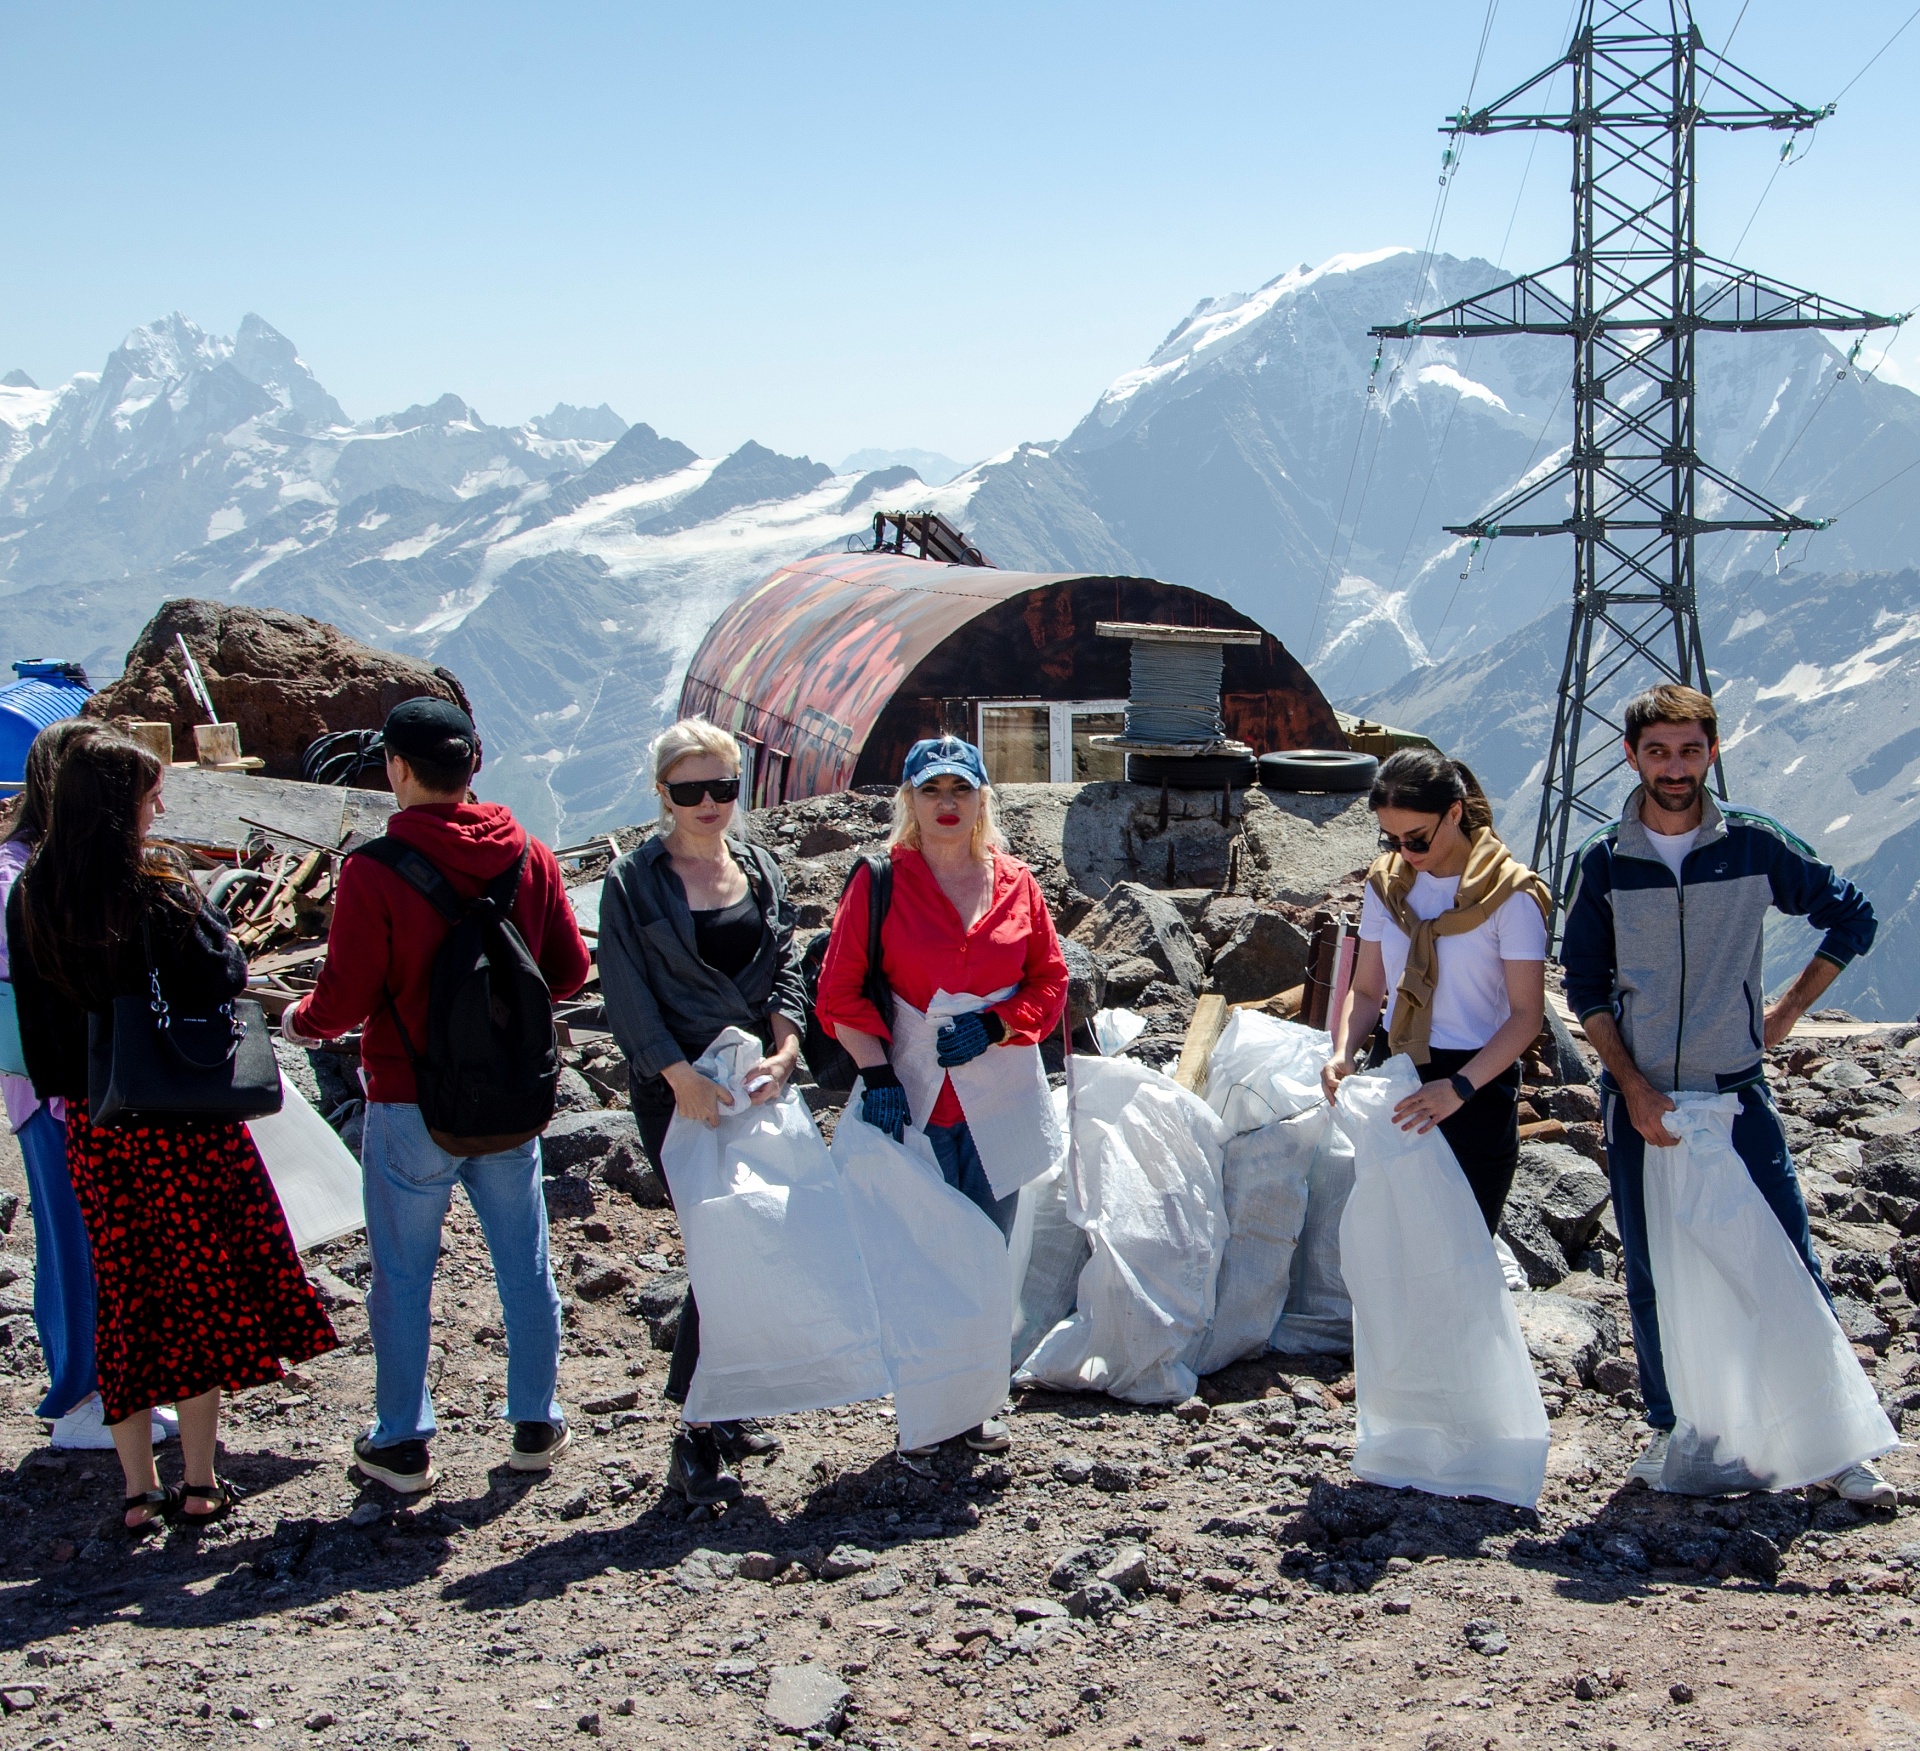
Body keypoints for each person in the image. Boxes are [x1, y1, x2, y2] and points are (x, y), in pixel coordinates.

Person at [1560, 683, 1891, 1504]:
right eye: (1659, 750)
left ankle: (1834, 1442)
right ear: (1633, 755)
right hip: (1640, 1099)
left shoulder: (1752, 844)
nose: (1676, 767)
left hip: (1735, 1094)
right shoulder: (1604, 859)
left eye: (1691, 749)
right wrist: (1632, 1088)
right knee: (1649, 1268)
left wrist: (1782, 1013)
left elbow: (1852, 917)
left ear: (1713, 751)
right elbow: (1586, 986)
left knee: (1784, 1256)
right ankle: (1677, 1431)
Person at [7, 731, 337, 1531]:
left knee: (126, 1297)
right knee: (198, 1296)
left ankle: (133, 1490)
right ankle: (197, 1481)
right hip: (183, 1127)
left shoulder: (33, 892)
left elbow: (38, 1018)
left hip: (94, 1123)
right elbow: (223, 973)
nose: (161, 805)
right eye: (152, 794)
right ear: (123, 803)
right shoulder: (157, 885)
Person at [282, 698, 590, 1494]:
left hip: (408, 1098)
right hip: (510, 1101)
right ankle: (533, 1419)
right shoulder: (528, 853)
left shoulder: (375, 867)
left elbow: (344, 999)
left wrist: (301, 1020)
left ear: (397, 767)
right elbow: (568, 972)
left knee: (403, 1275)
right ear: (474, 764)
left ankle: (403, 1440)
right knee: (523, 1262)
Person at [816, 734, 1069, 1468]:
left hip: (1000, 1108)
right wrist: (879, 1074)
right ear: (910, 802)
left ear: (984, 798)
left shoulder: (1019, 883)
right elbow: (839, 993)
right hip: (917, 1109)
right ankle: (926, 1417)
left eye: (961, 789)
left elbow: (1048, 983)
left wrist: (996, 1023)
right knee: (926, 1266)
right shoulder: (880, 882)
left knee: (988, 1264)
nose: (947, 804)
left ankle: (978, 1405)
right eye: (932, 791)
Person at [597, 717, 809, 1505]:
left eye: (723, 786)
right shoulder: (632, 880)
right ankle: (696, 1421)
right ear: (663, 796)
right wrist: (675, 1073)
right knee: (718, 1244)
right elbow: (623, 988)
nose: (710, 803)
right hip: (678, 1094)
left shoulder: (759, 868)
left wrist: (788, 1049)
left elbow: (787, 962)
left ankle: (728, 1405)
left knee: (754, 1236)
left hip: (752, 1082)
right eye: (691, 790)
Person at [1, 720, 178, 1452]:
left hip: (81, 1084)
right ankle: (78, 1393)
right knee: (72, 1240)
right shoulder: (18, 876)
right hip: (51, 1090)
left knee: (103, 1239)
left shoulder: (47, 866)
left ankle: (118, 1382)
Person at [1323, 750, 1550, 1234]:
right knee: (1390, 1242)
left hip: (1474, 1082)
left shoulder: (1511, 897)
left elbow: (1527, 1015)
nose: (1406, 852)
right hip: (1397, 1068)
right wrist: (1343, 1053)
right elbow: (1366, 991)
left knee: (1459, 1253)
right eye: (1393, 839)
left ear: (1454, 812)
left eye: (1418, 839)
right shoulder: (1386, 885)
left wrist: (1459, 1088)